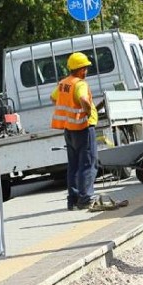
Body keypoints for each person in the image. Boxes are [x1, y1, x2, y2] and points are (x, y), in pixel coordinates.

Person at [51, 52, 98, 210]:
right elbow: (84, 99)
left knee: (74, 165)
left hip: (69, 130)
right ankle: (86, 199)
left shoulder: (63, 83)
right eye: (84, 68)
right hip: (83, 128)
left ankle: (73, 199)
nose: (86, 71)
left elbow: (53, 98)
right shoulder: (80, 84)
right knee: (88, 164)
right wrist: (87, 111)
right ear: (78, 69)